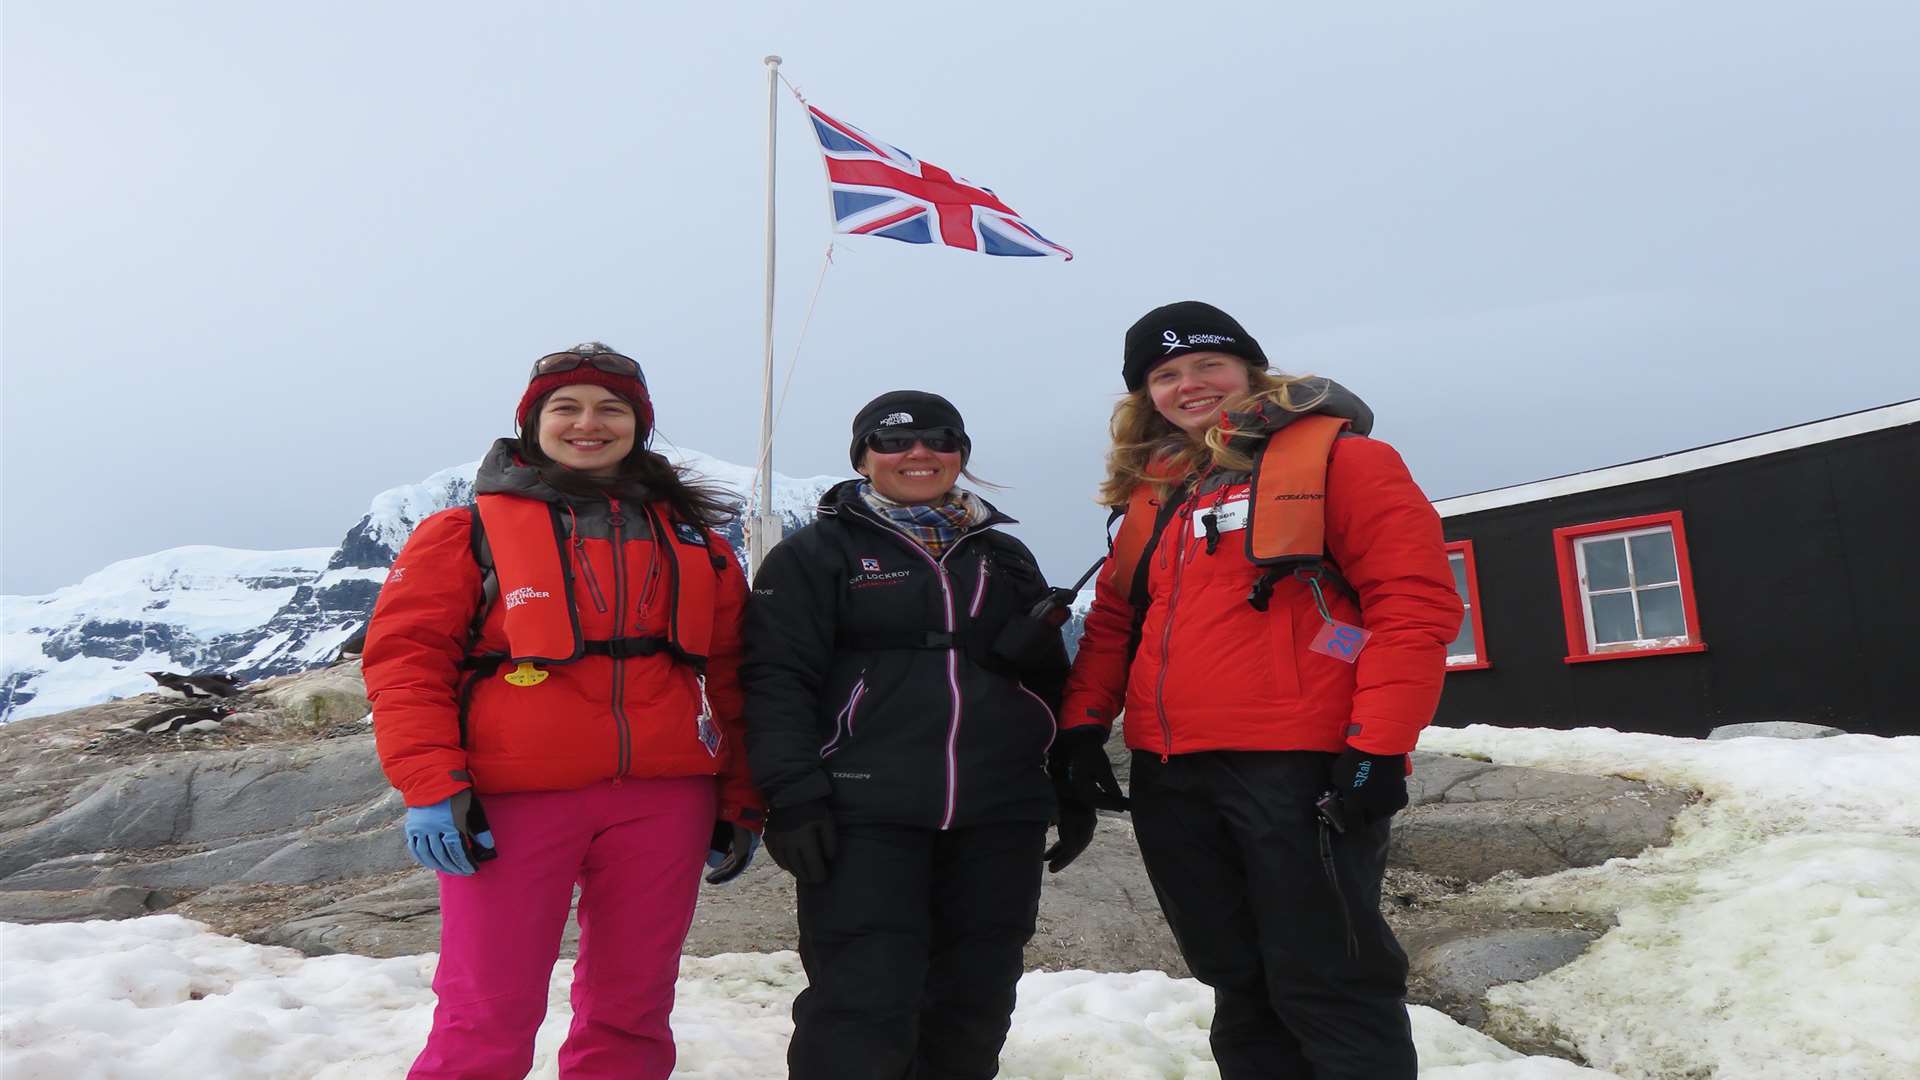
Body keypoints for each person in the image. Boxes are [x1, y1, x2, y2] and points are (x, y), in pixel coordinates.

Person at [1058, 303, 1463, 1080]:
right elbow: (1114, 621)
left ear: (1250, 369)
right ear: (1146, 396)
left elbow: (1411, 605)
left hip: (1297, 766)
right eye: (1166, 374)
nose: (1189, 384)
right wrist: (1080, 730)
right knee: (1237, 981)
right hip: (1172, 772)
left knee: (1330, 983)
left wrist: (1379, 746)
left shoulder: (1342, 460)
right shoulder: (1156, 494)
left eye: (1208, 364)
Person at [364, 342, 763, 1080]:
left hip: (666, 801)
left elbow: (732, 679)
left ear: (638, 425)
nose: (589, 423)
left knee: (633, 1010)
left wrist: (740, 799)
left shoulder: (699, 546)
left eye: (611, 408)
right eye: (566, 407)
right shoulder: (465, 533)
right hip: (512, 803)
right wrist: (431, 783)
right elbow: (406, 663)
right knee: (486, 1009)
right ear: (533, 422)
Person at [741, 390, 1093, 1080]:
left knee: (976, 997)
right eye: (894, 441)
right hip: (863, 811)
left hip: (1000, 811)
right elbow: (775, 681)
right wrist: (794, 796)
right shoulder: (816, 554)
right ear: (864, 457)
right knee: (862, 999)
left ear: (961, 453)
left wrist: (1066, 784)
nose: (918, 453)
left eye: (937, 439)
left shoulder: (1005, 557)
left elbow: (1049, 682)